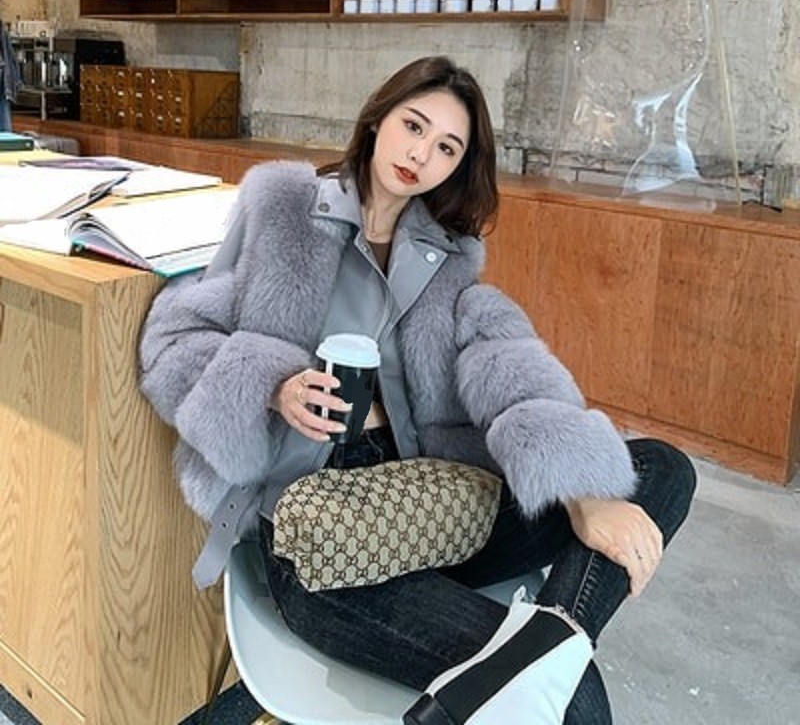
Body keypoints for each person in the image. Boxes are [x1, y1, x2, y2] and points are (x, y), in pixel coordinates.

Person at [138, 55, 696, 723]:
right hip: (317, 537)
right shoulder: (283, 208)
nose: (421, 154)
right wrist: (273, 385)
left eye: (446, 147)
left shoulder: (447, 257)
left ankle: (543, 644)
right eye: (414, 126)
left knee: (660, 467)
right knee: (574, 699)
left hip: (429, 504)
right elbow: (174, 339)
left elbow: (503, 366)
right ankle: (538, 664)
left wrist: (581, 494)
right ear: (379, 118)